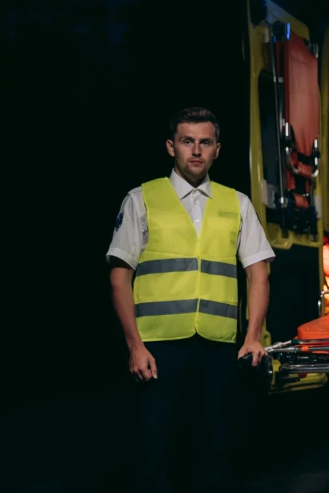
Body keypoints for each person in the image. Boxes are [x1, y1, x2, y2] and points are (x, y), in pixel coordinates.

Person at [107, 107, 275, 493]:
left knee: (215, 454)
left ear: (217, 150)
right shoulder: (141, 199)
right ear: (171, 147)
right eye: (187, 141)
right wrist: (134, 346)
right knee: (155, 456)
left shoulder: (237, 203)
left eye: (205, 142)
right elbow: (120, 276)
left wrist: (253, 337)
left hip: (218, 351)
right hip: (157, 351)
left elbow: (259, 273)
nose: (196, 150)